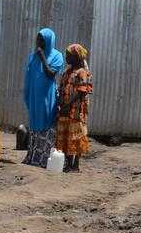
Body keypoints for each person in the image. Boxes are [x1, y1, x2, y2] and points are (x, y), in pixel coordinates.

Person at [23, 28, 64, 168]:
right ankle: (33, 156)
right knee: (34, 124)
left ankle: (44, 159)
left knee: (46, 122)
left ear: (49, 41)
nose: (38, 42)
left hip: (47, 97)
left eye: (42, 40)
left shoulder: (57, 56)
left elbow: (51, 74)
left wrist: (43, 58)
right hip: (35, 97)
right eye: (38, 39)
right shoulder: (33, 55)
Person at [56, 44, 93, 172]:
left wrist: (68, 104)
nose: (66, 58)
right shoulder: (66, 72)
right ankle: (67, 163)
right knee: (65, 137)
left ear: (76, 58)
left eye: (68, 56)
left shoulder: (83, 73)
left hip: (76, 112)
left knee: (75, 138)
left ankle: (75, 165)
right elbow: (60, 89)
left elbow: (82, 91)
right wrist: (61, 103)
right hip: (65, 111)